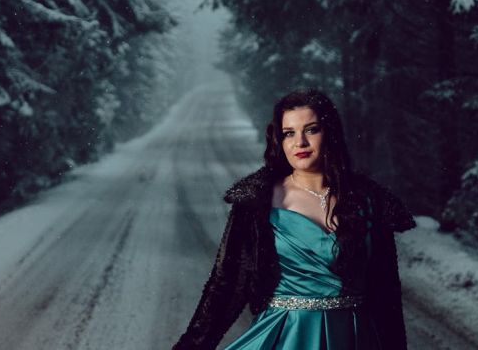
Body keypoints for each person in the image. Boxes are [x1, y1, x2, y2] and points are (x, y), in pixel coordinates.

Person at [173, 89, 416, 349]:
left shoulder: (369, 201)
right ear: (279, 140)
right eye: (289, 133)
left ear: (330, 133)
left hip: (354, 339)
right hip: (286, 337)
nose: (299, 142)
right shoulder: (257, 202)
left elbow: (386, 294)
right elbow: (225, 285)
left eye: (311, 130)